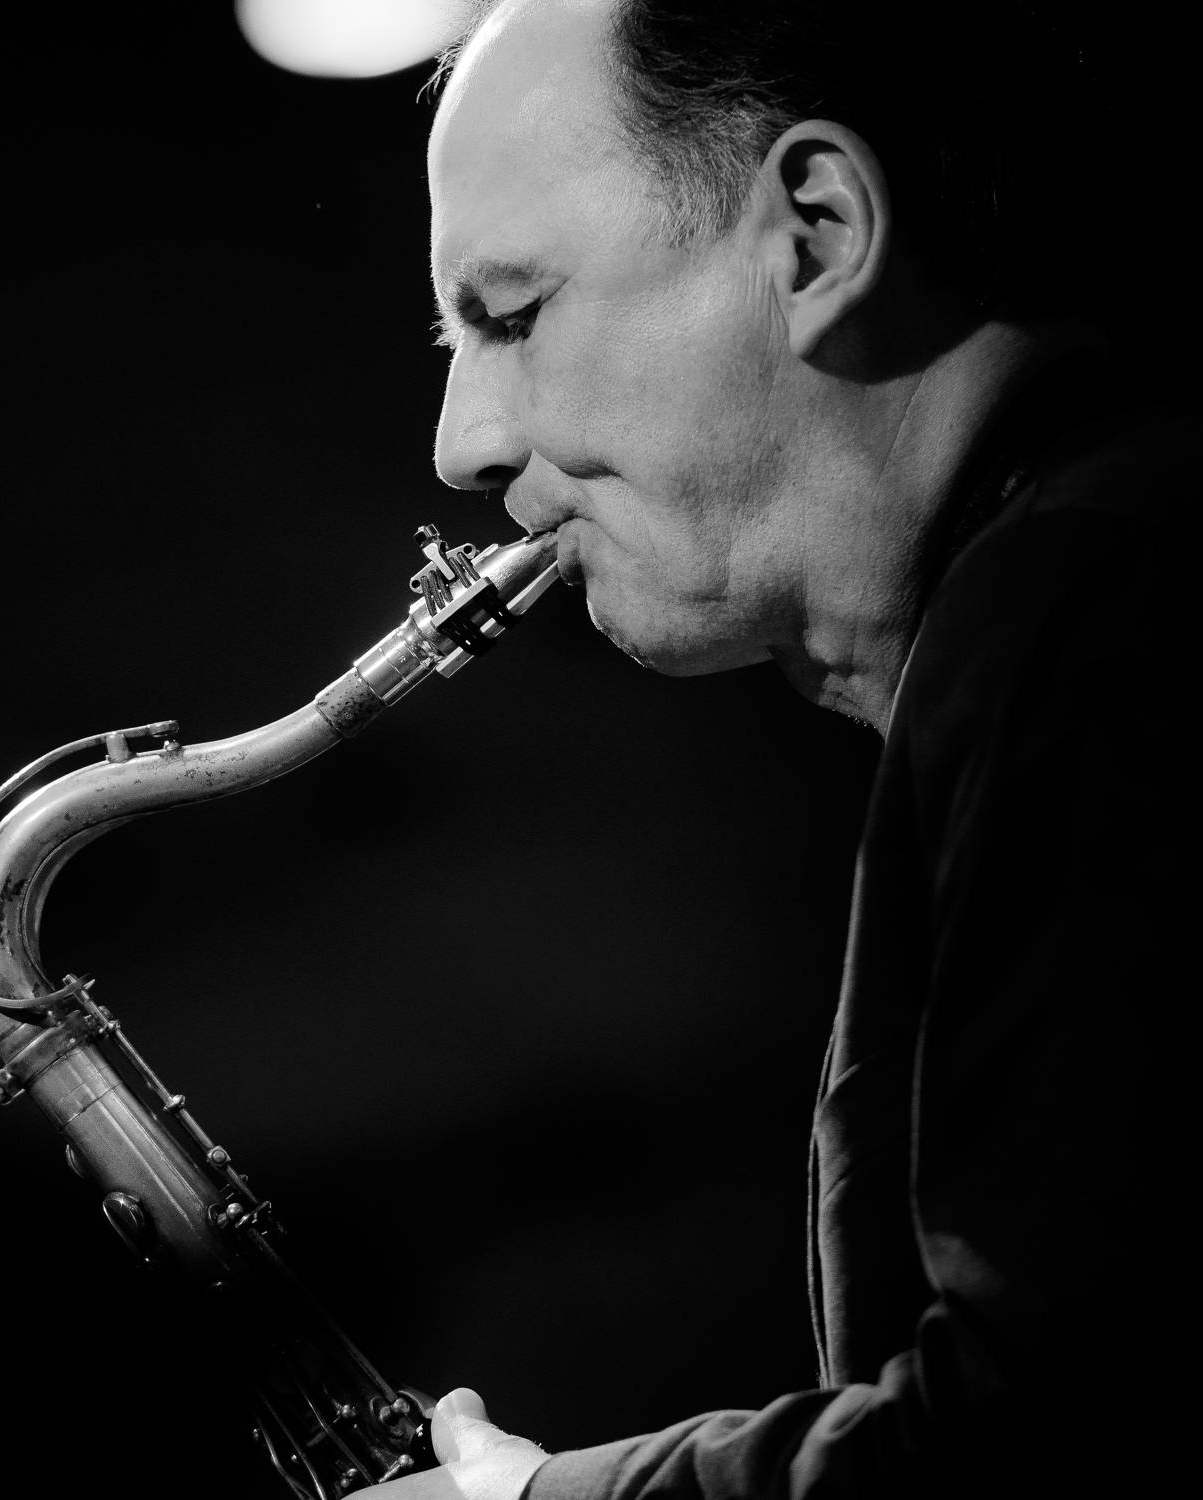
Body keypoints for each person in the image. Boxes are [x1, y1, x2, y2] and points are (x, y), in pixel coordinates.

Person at [374, 1, 1188, 1496]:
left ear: (818, 234)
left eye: (514, 312)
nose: (461, 446)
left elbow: (1065, 1432)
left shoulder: (1105, 599)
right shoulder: (1076, 594)